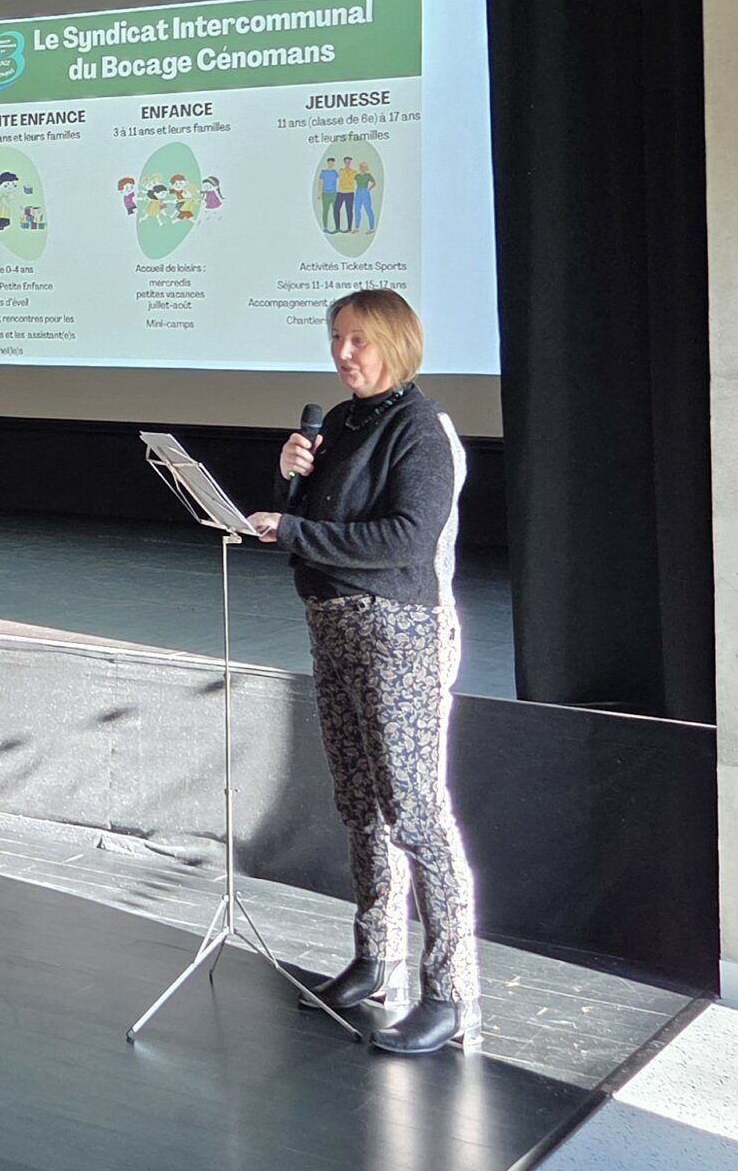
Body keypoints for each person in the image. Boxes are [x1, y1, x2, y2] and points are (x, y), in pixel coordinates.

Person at [247, 288, 481, 1056]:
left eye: (359, 340)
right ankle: (377, 959)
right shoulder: (343, 422)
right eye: (337, 338)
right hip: (335, 626)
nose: (343, 353)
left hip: (400, 634)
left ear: (397, 342)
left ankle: (452, 993)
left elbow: (405, 538)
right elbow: (321, 523)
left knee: (415, 813)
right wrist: (291, 481)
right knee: (360, 804)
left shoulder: (421, 427)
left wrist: (296, 526)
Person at [353, 162, 378, 232]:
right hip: (358, 192)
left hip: (365, 192)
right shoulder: (357, 176)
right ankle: (357, 228)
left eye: (364, 167)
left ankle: (371, 228)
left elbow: (374, 183)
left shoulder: (368, 175)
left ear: (366, 168)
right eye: (361, 167)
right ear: (360, 168)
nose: (363, 168)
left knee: (368, 209)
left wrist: (369, 189)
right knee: (357, 209)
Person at [319, 159, 339, 231]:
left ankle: (337, 228)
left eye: (332, 163)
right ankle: (325, 227)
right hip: (325, 194)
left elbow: (338, 182)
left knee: (336, 210)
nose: (331, 164)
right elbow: (320, 183)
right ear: (327, 163)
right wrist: (319, 194)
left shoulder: (335, 172)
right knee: (325, 210)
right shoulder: (323, 172)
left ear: (334, 164)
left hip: (334, 194)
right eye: (330, 163)